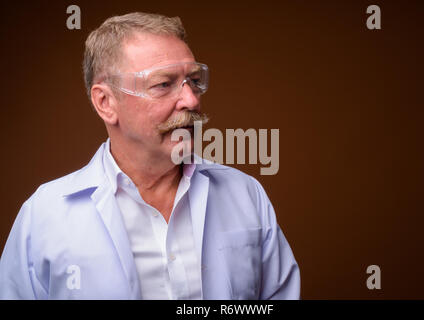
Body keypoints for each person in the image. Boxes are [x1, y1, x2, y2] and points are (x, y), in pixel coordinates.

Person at [0, 12, 300, 300]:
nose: (192, 99)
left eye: (194, 80)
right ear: (106, 102)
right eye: (164, 84)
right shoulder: (44, 216)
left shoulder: (245, 194)